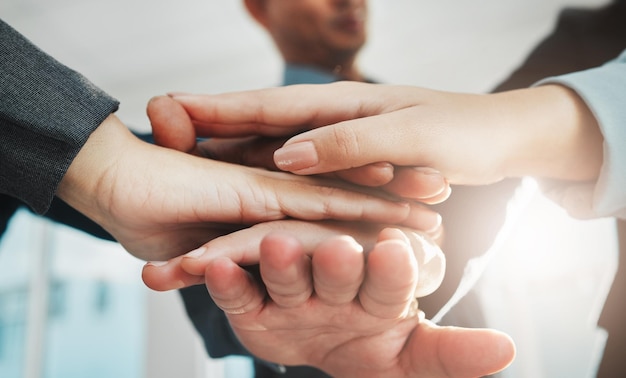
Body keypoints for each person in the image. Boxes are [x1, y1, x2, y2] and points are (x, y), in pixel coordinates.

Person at [0, 17, 518, 378]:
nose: (347, 3)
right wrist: (107, 169)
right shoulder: (188, 161)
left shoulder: (443, 135)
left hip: (447, 360)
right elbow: (36, 175)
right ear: (260, 8)